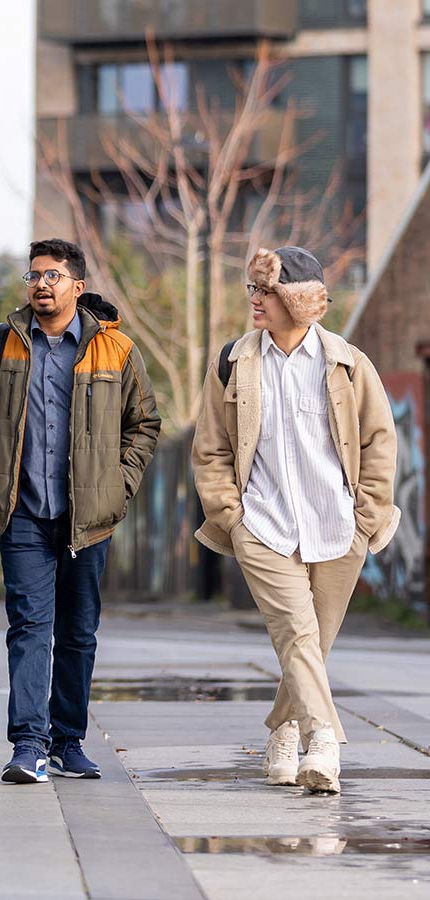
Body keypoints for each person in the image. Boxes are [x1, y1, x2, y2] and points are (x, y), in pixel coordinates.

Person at [191, 247, 399, 795]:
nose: (254, 301)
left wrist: (367, 515)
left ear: (299, 300)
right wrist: (232, 518)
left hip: (339, 528)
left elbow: (380, 441)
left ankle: (282, 731)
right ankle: (324, 743)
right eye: (253, 290)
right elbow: (209, 449)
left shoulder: (349, 364)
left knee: (310, 644)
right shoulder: (233, 363)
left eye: (267, 291)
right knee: (298, 633)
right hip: (263, 526)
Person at [0, 238, 160, 784]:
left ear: (78, 285)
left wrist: (119, 487)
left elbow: (144, 424)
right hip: (22, 512)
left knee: (78, 632)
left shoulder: (115, 349)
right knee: (29, 627)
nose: (41, 284)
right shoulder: (2, 343)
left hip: (89, 519)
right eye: (34, 275)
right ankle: (27, 745)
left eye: (52, 275)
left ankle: (68, 741)